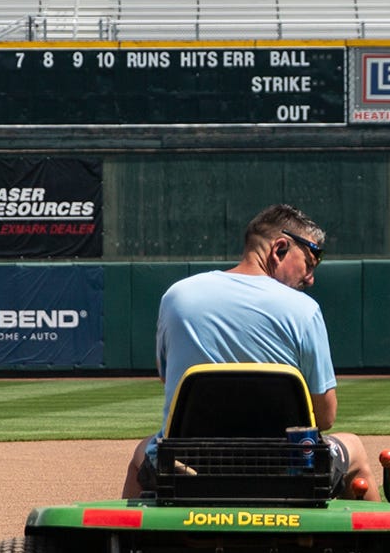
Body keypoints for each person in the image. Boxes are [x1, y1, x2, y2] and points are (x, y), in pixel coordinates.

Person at [128, 203, 372, 500]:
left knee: (143, 452)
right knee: (355, 448)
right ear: (280, 248)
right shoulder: (305, 311)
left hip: (187, 467)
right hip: (284, 470)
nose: (310, 278)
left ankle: (120, 543)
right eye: (309, 263)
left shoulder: (176, 297)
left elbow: (171, 384)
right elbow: (325, 418)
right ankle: (382, 545)